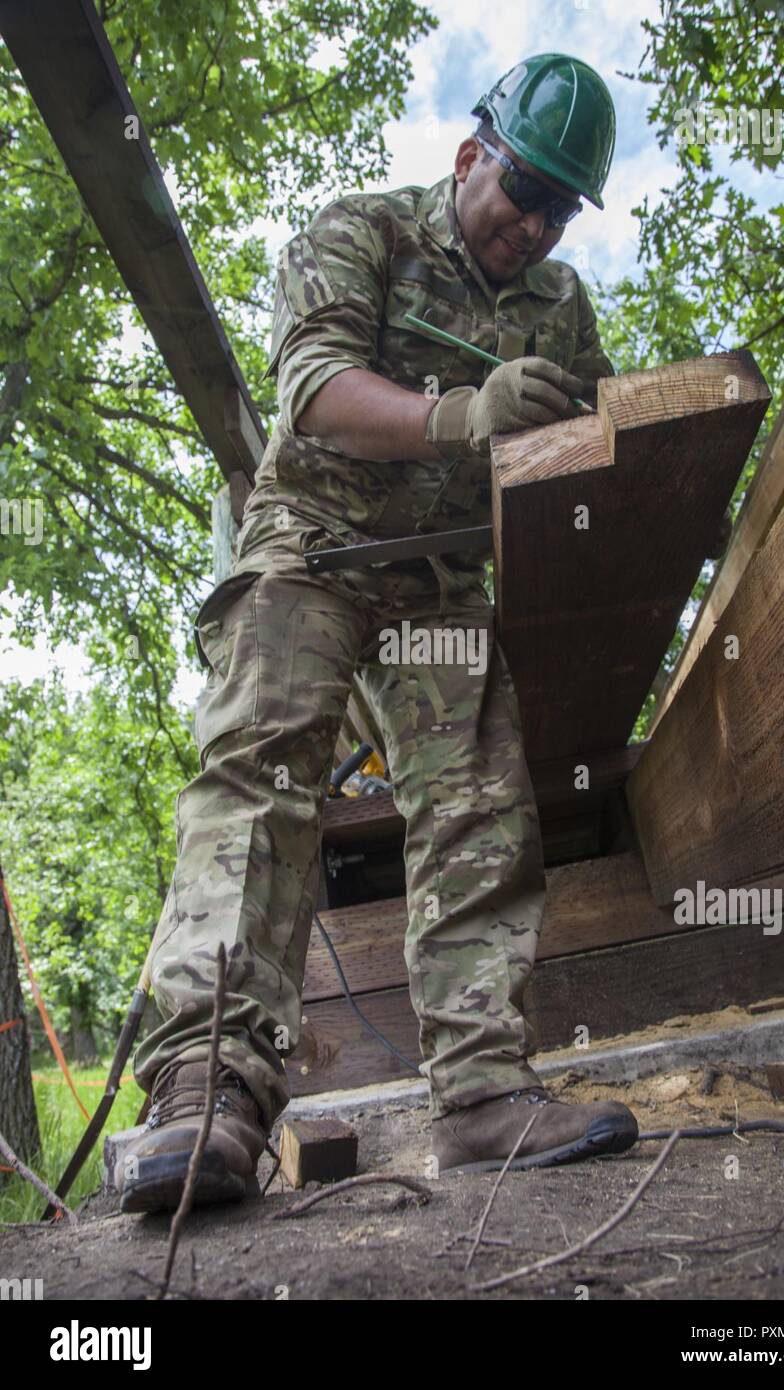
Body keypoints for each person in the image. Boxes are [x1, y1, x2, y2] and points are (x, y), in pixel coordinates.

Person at [122, 52, 639, 1214]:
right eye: (525, 190)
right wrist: (465, 415)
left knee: (477, 800)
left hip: (439, 584)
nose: (538, 225)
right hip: (313, 543)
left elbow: (588, 442)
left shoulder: (559, 309)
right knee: (261, 774)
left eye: (562, 208)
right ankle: (210, 1089)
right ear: (469, 158)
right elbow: (310, 389)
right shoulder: (357, 231)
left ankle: (482, 1096)